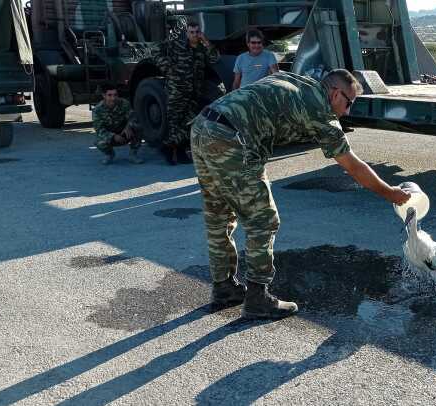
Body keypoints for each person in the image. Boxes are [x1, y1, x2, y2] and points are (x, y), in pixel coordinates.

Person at [190, 69, 411, 319]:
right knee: (263, 220)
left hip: (203, 126)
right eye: (348, 103)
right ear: (335, 93)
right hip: (233, 138)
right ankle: (257, 299)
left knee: (219, 215)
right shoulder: (320, 112)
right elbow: (354, 167)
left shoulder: (299, 81)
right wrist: (390, 193)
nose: (347, 111)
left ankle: (224, 288)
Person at [157, 21, 220, 165]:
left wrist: (206, 41)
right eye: (191, 32)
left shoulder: (202, 49)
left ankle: (172, 148)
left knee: (188, 123)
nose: (194, 35)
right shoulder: (176, 45)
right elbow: (156, 50)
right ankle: (172, 152)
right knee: (174, 122)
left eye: (197, 32)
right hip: (177, 90)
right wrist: (166, 68)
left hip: (193, 92)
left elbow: (215, 57)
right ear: (187, 33)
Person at [92, 83, 143, 165]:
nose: (113, 98)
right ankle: (110, 155)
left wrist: (128, 126)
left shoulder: (124, 103)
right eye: (109, 95)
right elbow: (99, 129)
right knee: (98, 141)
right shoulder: (97, 110)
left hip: (125, 133)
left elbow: (133, 117)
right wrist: (113, 136)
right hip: (111, 136)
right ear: (104, 95)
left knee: (138, 127)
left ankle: (133, 154)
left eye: (115, 95)